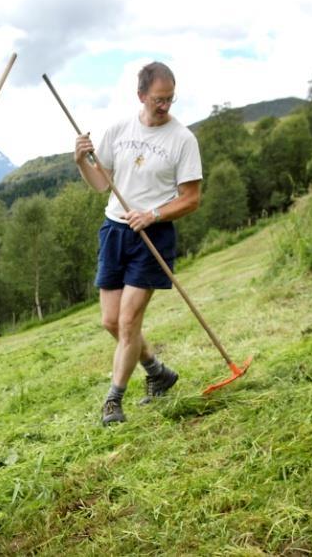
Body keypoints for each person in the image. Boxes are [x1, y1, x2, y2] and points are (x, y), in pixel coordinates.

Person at [74, 61, 202, 426]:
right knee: (111, 322)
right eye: (159, 99)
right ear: (141, 96)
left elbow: (191, 198)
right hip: (114, 231)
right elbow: (101, 184)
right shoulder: (118, 130)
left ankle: (113, 401)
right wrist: (82, 161)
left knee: (129, 321)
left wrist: (154, 214)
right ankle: (157, 371)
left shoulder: (183, 139)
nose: (165, 106)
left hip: (153, 235)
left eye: (170, 99)